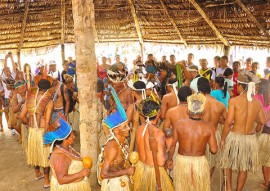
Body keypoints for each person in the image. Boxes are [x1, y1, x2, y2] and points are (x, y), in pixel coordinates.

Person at [220, 70, 267, 191]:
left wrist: (223, 139)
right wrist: (255, 126)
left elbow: (229, 122)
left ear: (240, 86)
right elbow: (263, 120)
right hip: (249, 139)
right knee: (244, 167)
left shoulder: (234, 101)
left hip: (235, 138)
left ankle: (229, 189)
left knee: (227, 164)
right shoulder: (256, 103)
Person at [168, 93, 217, 191]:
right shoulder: (209, 127)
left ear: (188, 111)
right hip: (199, 163)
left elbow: (172, 145)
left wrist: (170, 159)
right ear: (203, 112)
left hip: (182, 161)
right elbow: (214, 150)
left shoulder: (179, 124)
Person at [133, 99, 174, 191]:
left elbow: (137, 150)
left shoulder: (139, 129)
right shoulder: (158, 134)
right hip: (154, 174)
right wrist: (168, 149)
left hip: (141, 170)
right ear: (157, 114)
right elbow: (160, 162)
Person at [20, 79, 54, 188]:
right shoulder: (49, 101)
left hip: (32, 131)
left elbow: (21, 116)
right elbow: (48, 121)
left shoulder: (29, 99)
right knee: (45, 155)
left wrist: (29, 124)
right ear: (48, 89)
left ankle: (37, 174)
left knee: (34, 152)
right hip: (42, 131)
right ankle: (46, 180)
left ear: (38, 88)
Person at [99, 87, 134, 191]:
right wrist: (126, 172)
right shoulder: (113, 147)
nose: (129, 128)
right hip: (114, 185)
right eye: (125, 127)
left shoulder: (122, 142)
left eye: (128, 125)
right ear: (116, 131)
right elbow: (104, 174)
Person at [43, 116, 91, 191]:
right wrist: (81, 174)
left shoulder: (67, 148)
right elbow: (61, 180)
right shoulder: (59, 156)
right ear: (65, 139)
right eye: (71, 135)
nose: (74, 137)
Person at [197, 78, 227, 176]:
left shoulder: (199, 104)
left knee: (200, 159)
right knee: (212, 161)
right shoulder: (220, 105)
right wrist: (216, 118)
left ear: (201, 92)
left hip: (201, 134)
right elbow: (226, 121)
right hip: (215, 134)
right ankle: (208, 179)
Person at [254, 79, 270, 190]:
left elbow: (263, 120)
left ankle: (267, 183)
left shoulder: (258, 99)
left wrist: (258, 127)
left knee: (266, 161)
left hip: (266, 132)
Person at [2, 52, 16, 135]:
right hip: (7, 98)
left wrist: (11, 58)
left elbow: (14, 67)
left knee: (14, 112)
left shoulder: (13, 77)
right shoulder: (4, 78)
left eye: (9, 70)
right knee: (8, 113)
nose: (8, 71)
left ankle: (14, 126)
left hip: (14, 97)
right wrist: (6, 59)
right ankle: (11, 127)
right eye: (6, 71)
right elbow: (4, 68)